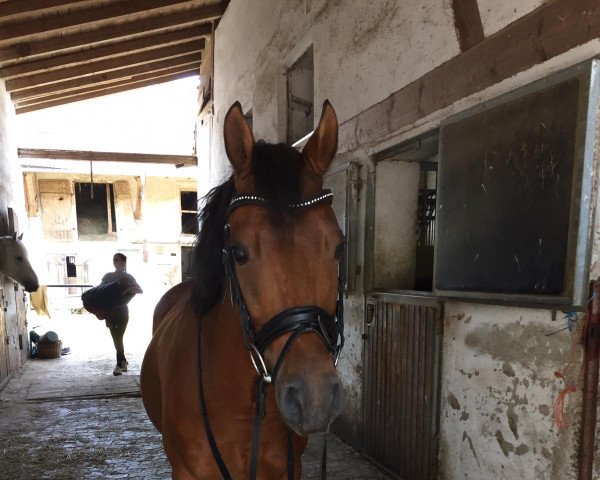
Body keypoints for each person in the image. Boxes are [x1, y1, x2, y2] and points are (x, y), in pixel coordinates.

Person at [101, 253, 143, 376]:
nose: (115, 262)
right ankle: (123, 360)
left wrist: (129, 289)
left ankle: (119, 365)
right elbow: (100, 289)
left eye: (118, 260)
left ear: (124, 262)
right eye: (114, 260)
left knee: (118, 337)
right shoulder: (108, 276)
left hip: (122, 311)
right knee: (115, 338)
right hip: (109, 312)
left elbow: (140, 290)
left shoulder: (128, 277)